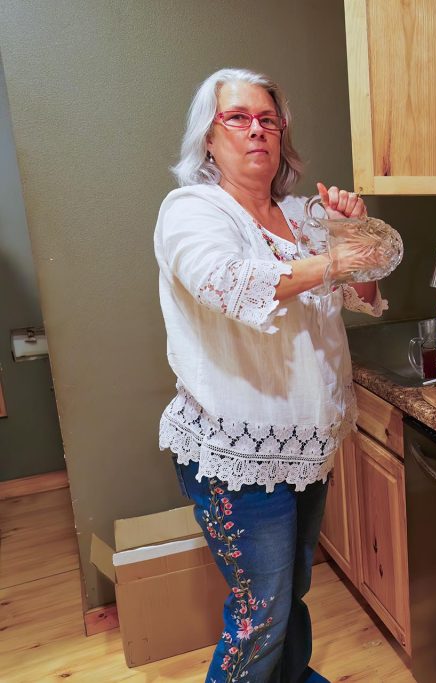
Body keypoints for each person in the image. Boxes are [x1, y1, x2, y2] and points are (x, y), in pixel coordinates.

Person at [155, 68, 388, 683]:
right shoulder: (191, 211)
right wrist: (330, 259)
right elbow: (227, 284)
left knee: (292, 593)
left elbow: (362, 295)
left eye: (268, 118)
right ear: (209, 137)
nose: (256, 129)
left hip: (305, 443)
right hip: (237, 447)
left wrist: (348, 235)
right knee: (259, 612)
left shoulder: (302, 217)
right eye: (237, 117)